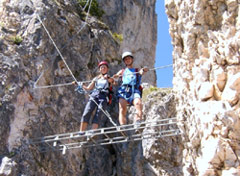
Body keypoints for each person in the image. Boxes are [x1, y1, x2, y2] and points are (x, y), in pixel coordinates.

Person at [74, 61, 114, 135]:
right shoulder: (96, 78)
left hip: (104, 96)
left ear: (107, 69)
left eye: (105, 67)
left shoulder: (109, 78)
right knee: (87, 110)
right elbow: (89, 88)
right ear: (99, 69)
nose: (103, 68)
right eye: (102, 67)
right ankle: (81, 131)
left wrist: (107, 78)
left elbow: (113, 81)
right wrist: (79, 84)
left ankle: (93, 130)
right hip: (95, 95)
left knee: (99, 113)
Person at [113, 51, 149, 131]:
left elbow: (141, 72)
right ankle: (123, 126)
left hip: (134, 90)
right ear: (124, 61)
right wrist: (115, 78)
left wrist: (144, 69)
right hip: (124, 90)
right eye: (126, 59)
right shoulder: (122, 71)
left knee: (138, 103)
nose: (128, 60)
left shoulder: (136, 70)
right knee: (122, 108)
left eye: (129, 58)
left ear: (132, 59)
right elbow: (115, 80)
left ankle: (138, 121)